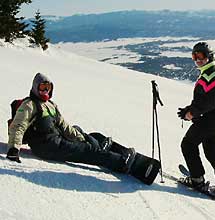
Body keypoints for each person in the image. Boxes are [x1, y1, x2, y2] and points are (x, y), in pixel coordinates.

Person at [6, 73, 160, 184]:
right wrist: (14, 149)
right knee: (88, 152)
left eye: (48, 87)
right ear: (35, 88)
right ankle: (122, 163)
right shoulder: (29, 105)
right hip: (47, 146)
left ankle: (99, 144)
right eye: (42, 87)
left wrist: (82, 137)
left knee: (80, 131)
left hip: (56, 138)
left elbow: (65, 126)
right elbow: (17, 126)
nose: (45, 91)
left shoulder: (51, 105)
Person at [177, 42, 215, 199]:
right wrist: (190, 109)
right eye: (194, 56)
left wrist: (192, 113)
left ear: (209, 56)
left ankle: (197, 179)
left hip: (210, 119)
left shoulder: (210, 75)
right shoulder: (214, 71)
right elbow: (206, 99)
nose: (197, 60)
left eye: (200, 56)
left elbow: (209, 103)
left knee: (188, 144)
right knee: (211, 149)